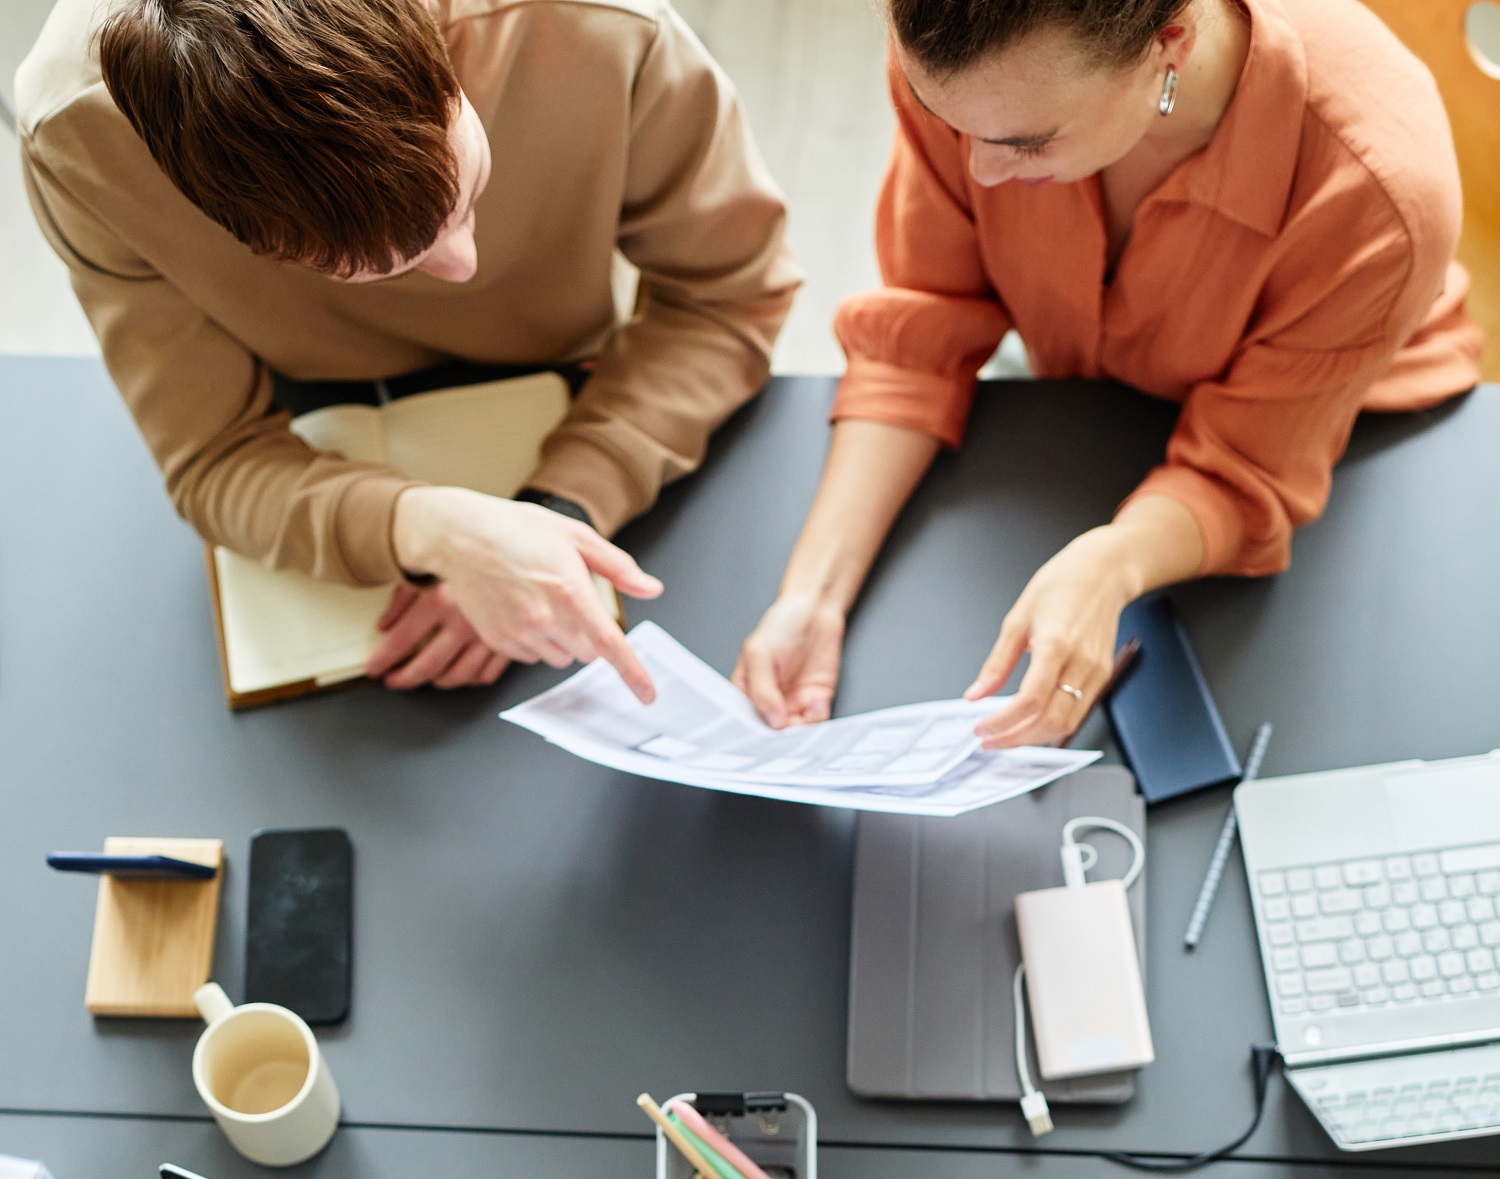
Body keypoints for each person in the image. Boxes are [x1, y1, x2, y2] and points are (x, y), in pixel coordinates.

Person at [733, 0, 1484, 749]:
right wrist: (813, 595)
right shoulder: (971, 69)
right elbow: (925, 330)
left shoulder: (1375, 196)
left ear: (1171, 45)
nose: (978, 171)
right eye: (951, 123)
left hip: (1338, 419)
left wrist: (1115, 562)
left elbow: (1245, 469)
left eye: (1024, 144)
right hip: (1084, 391)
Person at [17, 0, 799, 695]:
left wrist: (561, 505)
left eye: (468, 194)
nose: (465, 270)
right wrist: (431, 532)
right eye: (366, 272)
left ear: (441, 63)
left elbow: (728, 298)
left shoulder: (606, 29)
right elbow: (214, 455)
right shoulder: (76, 134)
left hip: (579, 386)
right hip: (307, 407)